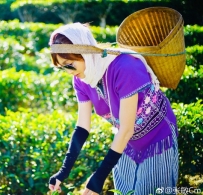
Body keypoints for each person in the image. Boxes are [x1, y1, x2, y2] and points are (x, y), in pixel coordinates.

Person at [48, 23, 179, 195]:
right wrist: (63, 172)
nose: (68, 71)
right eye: (61, 67)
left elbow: (126, 129)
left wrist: (99, 177)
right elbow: (82, 127)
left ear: (85, 51)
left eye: (69, 64)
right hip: (127, 144)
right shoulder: (81, 79)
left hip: (157, 138)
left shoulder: (125, 67)